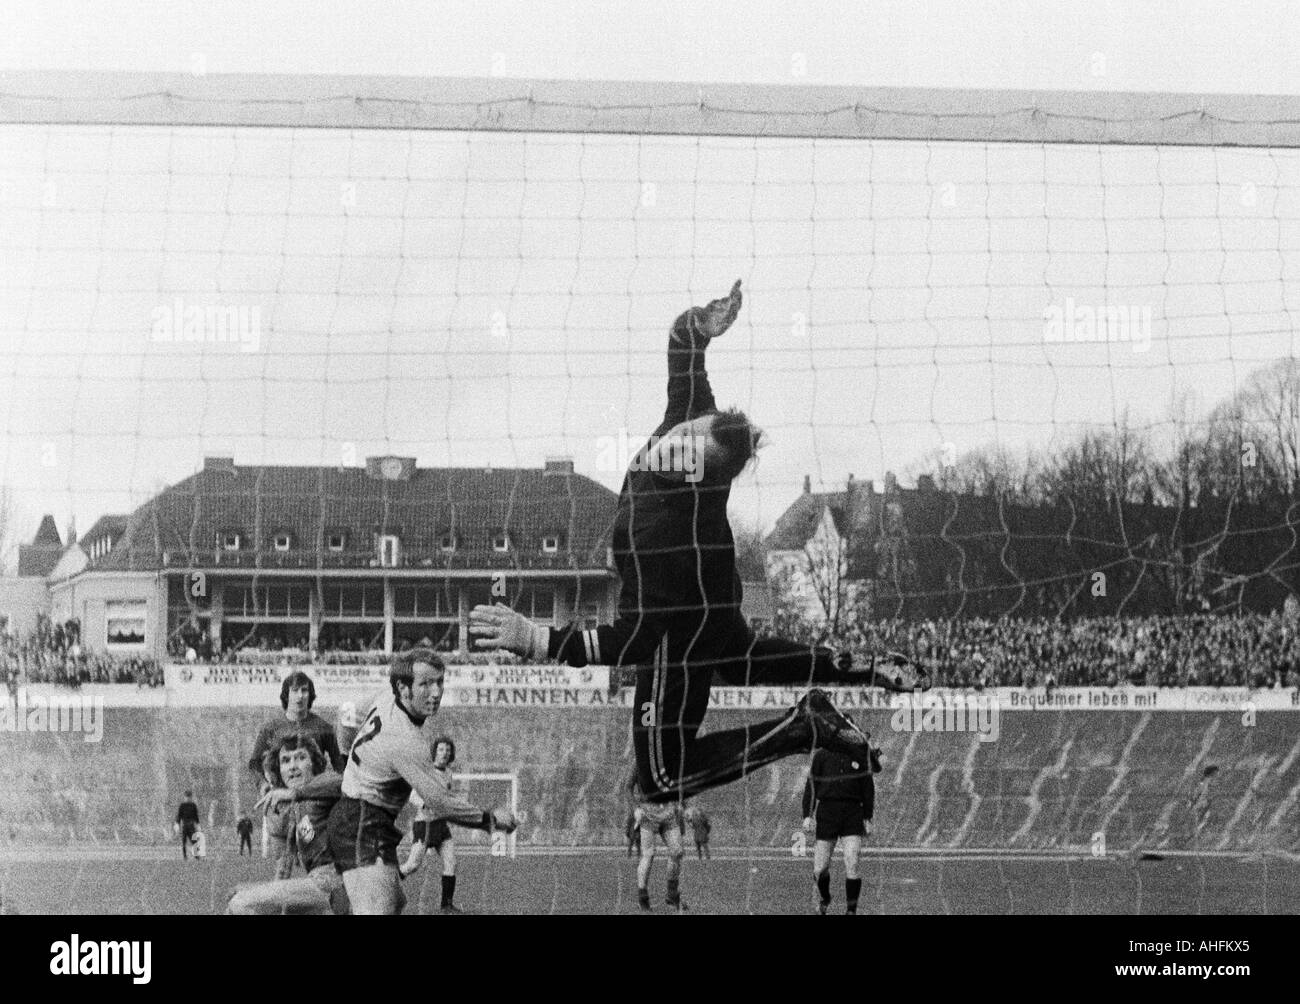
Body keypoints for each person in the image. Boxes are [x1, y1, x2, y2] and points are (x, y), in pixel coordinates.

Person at [471, 280, 926, 806]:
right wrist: (700, 324)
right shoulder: (691, 419)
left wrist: (537, 640)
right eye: (688, 437)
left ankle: (805, 727)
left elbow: (634, 641)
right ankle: (862, 668)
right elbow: (682, 350)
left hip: (680, 630)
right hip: (714, 602)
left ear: (698, 478)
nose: (676, 448)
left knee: (661, 779)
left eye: (689, 455)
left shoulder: (657, 539)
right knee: (742, 657)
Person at [325, 649, 517, 915]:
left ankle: (337, 899)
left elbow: (345, 715)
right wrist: (491, 821)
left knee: (394, 903)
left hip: (365, 820)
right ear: (404, 688)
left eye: (439, 682)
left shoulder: (385, 696)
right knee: (377, 909)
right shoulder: (406, 740)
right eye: (425, 684)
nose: (436, 692)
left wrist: (345, 760)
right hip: (360, 824)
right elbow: (440, 801)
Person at [226, 734, 349, 915]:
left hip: (338, 886)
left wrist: (293, 793)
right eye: (285, 760)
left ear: (314, 763)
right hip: (319, 889)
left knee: (242, 903)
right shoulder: (295, 810)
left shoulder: (323, 787)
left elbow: (342, 782)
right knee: (238, 895)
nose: (292, 766)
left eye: (301, 758)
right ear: (279, 770)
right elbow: (283, 871)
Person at [802, 721, 882, 915]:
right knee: (820, 868)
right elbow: (811, 787)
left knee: (852, 861)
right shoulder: (821, 756)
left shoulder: (860, 756)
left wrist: (867, 817)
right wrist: (807, 815)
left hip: (852, 813)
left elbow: (868, 789)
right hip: (827, 812)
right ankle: (825, 898)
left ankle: (851, 910)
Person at [399, 736, 463, 913]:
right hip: (425, 825)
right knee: (412, 865)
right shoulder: (425, 771)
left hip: (441, 826)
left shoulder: (449, 773)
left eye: (448, 750)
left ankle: (447, 905)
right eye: (441, 749)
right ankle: (387, 884)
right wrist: (426, 804)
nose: (445, 753)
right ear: (435, 751)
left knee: (451, 862)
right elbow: (412, 795)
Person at [635, 801, 686, 912]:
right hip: (647, 814)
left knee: (677, 851)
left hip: (668, 814)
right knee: (648, 854)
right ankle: (642, 897)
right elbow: (628, 786)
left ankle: (672, 894)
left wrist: (681, 806)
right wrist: (634, 808)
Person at [174, 790, 200, 860]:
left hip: (191, 825)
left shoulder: (193, 805)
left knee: (194, 841)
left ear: (191, 797)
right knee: (183, 841)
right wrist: (177, 824)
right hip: (184, 825)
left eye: (189, 797)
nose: (188, 798)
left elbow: (196, 816)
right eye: (187, 797)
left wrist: (198, 825)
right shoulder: (182, 806)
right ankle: (184, 856)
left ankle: (196, 855)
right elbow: (179, 816)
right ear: (184, 797)